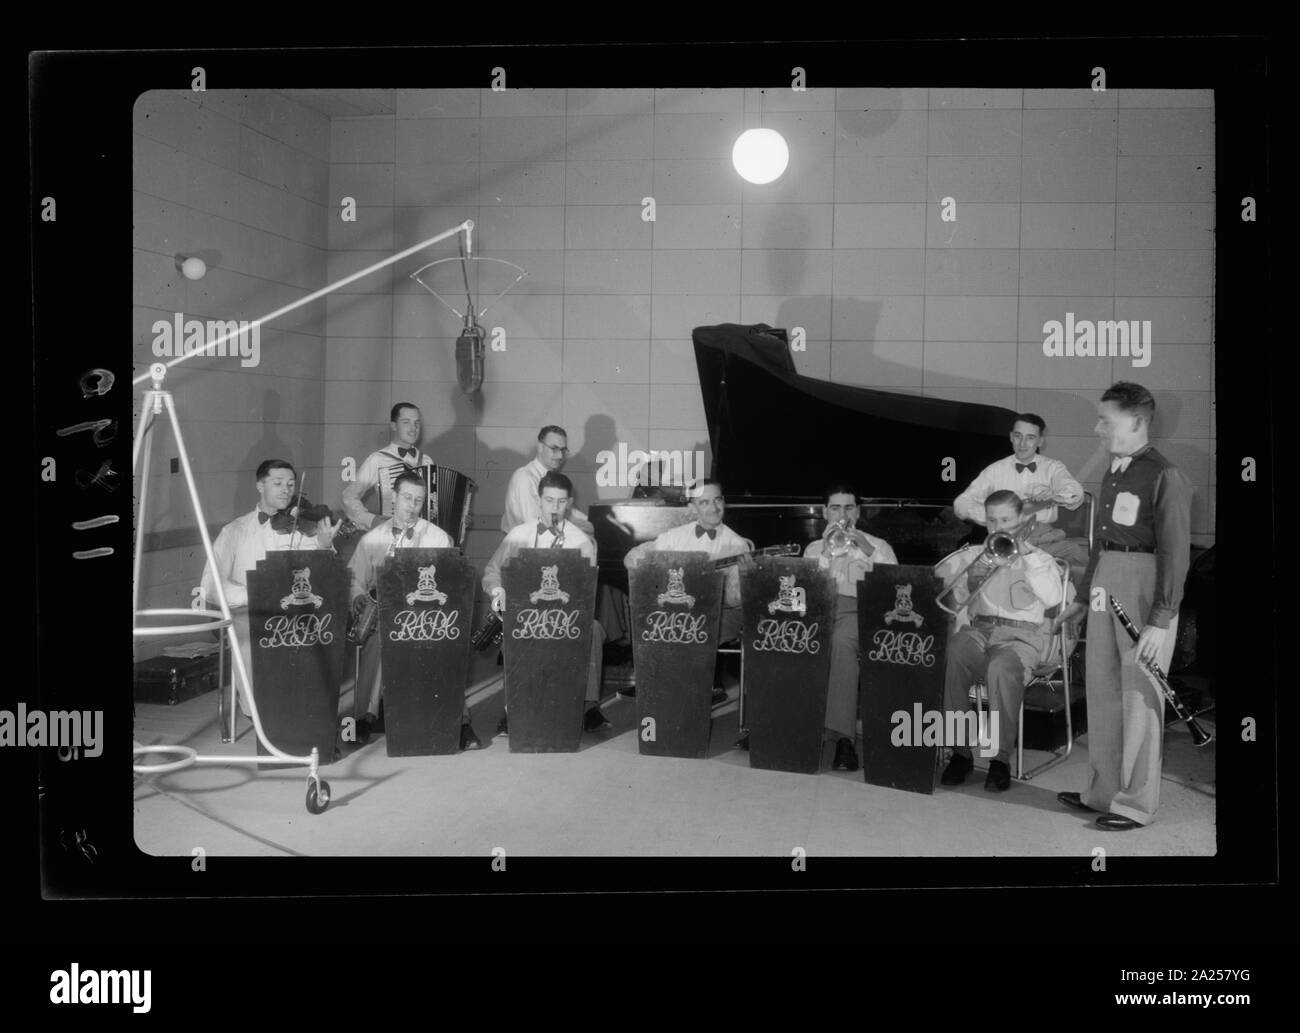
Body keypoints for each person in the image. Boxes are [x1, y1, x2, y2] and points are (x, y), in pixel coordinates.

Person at [1057, 382, 1192, 830]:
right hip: (1108, 578)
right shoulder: (1114, 471)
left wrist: (1160, 620)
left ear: (1135, 422)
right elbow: (1101, 542)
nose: (1097, 428)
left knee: (1139, 697)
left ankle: (1135, 804)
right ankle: (1103, 793)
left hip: (1145, 584)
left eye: (1105, 420)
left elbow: (1175, 554)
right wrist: (1081, 598)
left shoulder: (1164, 474)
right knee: (1102, 689)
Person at [936, 490, 1065, 791]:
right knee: (953, 653)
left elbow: (1054, 599)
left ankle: (999, 759)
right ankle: (960, 752)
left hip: (1022, 637)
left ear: (1021, 520)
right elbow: (953, 604)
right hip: (979, 630)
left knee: (1001, 669)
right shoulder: (974, 555)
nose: (999, 528)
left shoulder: (1040, 558)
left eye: (1006, 520)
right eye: (992, 521)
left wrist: (1028, 558)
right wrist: (970, 580)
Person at [347, 470, 480, 749]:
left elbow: (450, 583)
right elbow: (355, 580)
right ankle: (364, 718)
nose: (411, 506)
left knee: (447, 642)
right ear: (394, 498)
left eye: (418, 501)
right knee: (380, 638)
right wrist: (358, 596)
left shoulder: (440, 539)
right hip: (384, 616)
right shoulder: (371, 540)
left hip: (424, 617)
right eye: (406, 498)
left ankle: (461, 722)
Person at [201, 460, 339, 716]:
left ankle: (307, 715)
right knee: (248, 638)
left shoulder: (305, 530)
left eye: (290, 484)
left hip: (295, 612)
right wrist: (256, 593)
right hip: (250, 610)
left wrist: (322, 545)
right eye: (278, 483)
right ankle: (261, 716)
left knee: (325, 630)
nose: (286, 490)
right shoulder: (234, 531)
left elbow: (326, 578)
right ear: (260, 486)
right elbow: (210, 585)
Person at [484, 472, 609, 734]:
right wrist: (499, 594)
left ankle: (588, 707)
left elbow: (588, 591)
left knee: (594, 629)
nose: (554, 508)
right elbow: (492, 571)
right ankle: (512, 709)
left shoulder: (581, 542)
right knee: (513, 631)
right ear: (538, 500)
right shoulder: (518, 535)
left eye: (561, 502)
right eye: (549, 500)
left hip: (565, 617)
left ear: (570, 503)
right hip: (524, 615)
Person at [625, 478, 752, 710]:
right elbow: (635, 557)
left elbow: (736, 601)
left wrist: (732, 580)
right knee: (658, 619)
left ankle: (696, 691)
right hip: (680, 612)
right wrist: (643, 565)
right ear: (692, 508)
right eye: (704, 502)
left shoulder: (737, 545)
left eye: (717, 500)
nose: (713, 508)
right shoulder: (674, 537)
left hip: (721, 614)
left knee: (685, 626)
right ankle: (660, 687)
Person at [803, 484, 898, 772]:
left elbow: (895, 586)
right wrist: (827, 554)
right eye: (835, 508)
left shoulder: (878, 545)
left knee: (842, 645)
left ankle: (844, 740)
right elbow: (807, 590)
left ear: (857, 511)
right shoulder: (813, 548)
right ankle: (779, 727)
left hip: (861, 611)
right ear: (824, 512)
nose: (842, 515)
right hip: (820, 610)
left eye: (848, 508)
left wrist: (868, 552)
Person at [953, 413, 1089, 586]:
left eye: (1030, 438)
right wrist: (998, 517)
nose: (1022, 444)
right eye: (1018, 436)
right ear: (1011, 437)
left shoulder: (1053, 468)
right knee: (970, 572)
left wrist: (1054, 496)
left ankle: (1071, 608)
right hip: (1003, 540)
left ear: (1040, 441)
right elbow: (960, 504)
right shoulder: (994, 470)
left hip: (1043, 540)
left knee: (1080, 558)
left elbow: (1076, 493)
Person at [341, 402, 434, 530]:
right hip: (390, 536)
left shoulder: (426, 461)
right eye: (406, 422)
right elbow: (348, 496)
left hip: (422, 536)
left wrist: (460, 517)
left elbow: (433, 505)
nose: (413, 428)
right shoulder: (377, 460)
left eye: (417, 423)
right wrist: (371, 520)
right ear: (394, 426)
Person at [501, 425, 595, 536]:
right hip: (523, 549)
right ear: (540, 447)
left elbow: (568, 512)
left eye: (563, 450)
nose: (560, 456)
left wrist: (594, 523)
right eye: (554, 449)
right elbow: (537, 525)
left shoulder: (551, 479)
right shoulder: (524, 478)